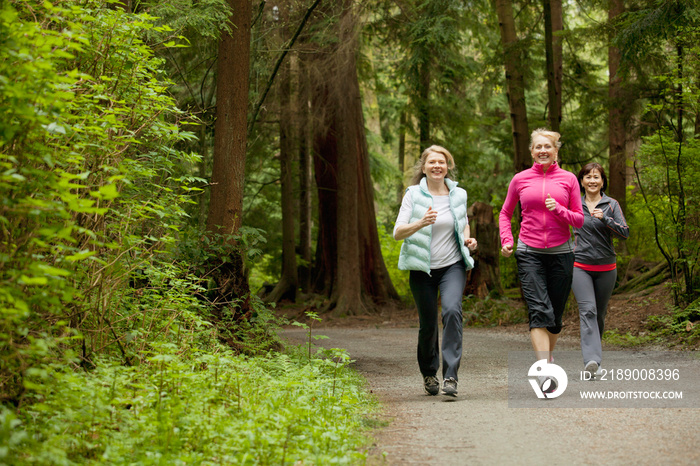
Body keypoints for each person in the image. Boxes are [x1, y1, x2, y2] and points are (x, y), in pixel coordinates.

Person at [499, 128, 584, 394]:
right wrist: (507, 239)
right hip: (529, 252)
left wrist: (558, 210)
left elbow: (580, 219)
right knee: (539, 312)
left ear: (556, 150)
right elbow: (505, 213)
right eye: (538, 147)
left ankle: (547, 360)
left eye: (547, 146)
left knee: (555, 318)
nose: (543, 150)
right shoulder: (520, 179)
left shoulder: (569, 179)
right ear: (532, 151)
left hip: (561, 252)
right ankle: (545, 371)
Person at [393, 145, 477, 397]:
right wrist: (421, 222)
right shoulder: (413, 195)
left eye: (441, 162)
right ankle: (429, 373)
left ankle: (451, 376)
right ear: (424, 167)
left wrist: (468, 240)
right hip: (422, 268)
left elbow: (463, 223)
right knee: (428, 323)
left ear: (448, 166)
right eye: (432, 162)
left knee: (452, 311)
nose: (437, 166)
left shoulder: (458, 194)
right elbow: (398, 233)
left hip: (452, 265)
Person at [572, 163, 629, 379]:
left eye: (596, 177)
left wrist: (605, 219)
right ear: (582, 181)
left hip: (607, 268)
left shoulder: (611, 204)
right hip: (580, 266)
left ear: (603, 181)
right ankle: (592, 361)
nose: (592, 180)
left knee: (599, 315)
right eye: (588, 177)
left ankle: (594, 359)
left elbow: (624, 233)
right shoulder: (574, 203)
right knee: (588, 311)